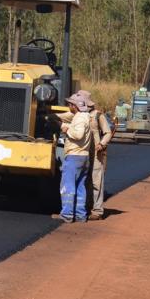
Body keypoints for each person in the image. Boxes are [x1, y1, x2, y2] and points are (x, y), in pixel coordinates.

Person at [52, 93, 91, 223]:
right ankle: (80, 215)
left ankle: (67, 214)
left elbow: (78, 135)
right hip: (84, 157)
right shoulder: (84, 116)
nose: (69, 106)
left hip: (74, 156)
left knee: (67, 186)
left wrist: (63, 127)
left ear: (75, 106)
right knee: (80, 187)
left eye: (70, 104)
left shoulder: (80, 119)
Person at [78, 90, 114, 220]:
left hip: (96, 153)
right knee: (83, 180)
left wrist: (102, 144)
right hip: (81, 152)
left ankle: (97, 211)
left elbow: (108, 132)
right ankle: (84, 207)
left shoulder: (98, 115)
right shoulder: (78, 114)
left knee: (96, 181)